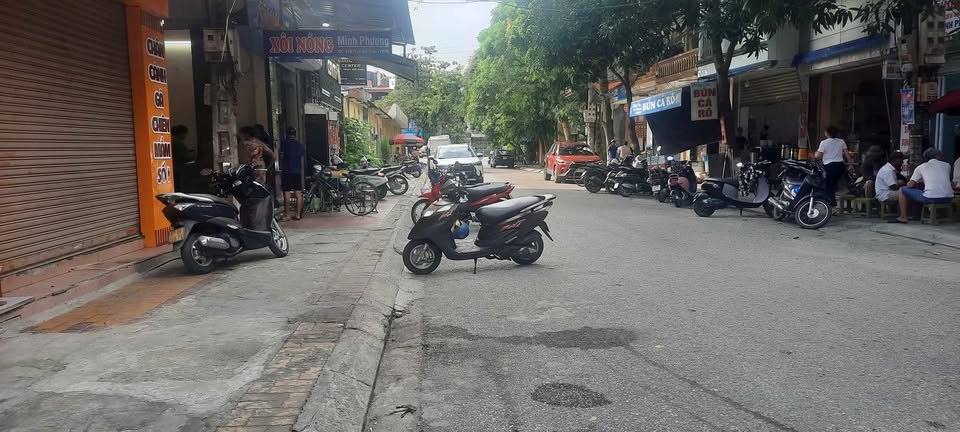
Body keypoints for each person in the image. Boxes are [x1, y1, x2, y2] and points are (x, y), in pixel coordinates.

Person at [892, 148, 954, 224]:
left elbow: (910, 185)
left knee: (902, 189)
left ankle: (903, 217)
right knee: (926, 191)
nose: (942, 157)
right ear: (937, 156)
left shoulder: (921, 167)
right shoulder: (947, 165)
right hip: (949, 198)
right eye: (941, 155)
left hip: (931, 198)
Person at [813, 125, 851, 206]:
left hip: (829, 167)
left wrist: (815, 154)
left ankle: (831, 205)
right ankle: (836, 201)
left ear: (827, 133)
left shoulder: (823, 143)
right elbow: (847, 155)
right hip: (840, 166)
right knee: (836, 184)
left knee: (829, 186)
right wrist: (850, 165)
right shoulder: (841, 141)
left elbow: (818, 156)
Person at [280, 127, 304, 221]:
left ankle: (288, 215)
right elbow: (300, 155)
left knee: (287, 193)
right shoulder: (299, 144)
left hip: (287, 171)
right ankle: (298, 215)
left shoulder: (284, 143)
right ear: (295, 134)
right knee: (298, 193)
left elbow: (281, 155)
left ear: (287, 134)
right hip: (297, 171)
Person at [171, 125, 190, 191]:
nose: (185, 136)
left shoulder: (171, 140)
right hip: (178, 169)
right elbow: (185, 157)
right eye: (184, 134)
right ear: (180, 133)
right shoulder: (178, 143)